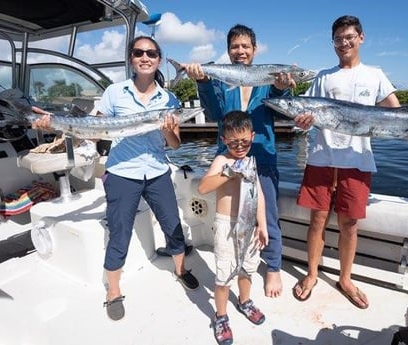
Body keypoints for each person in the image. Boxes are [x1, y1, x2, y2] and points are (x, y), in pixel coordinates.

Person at [292, 15, 408, 309]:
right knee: (317, 221)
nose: (344, 43)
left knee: (349, 225)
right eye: (338, 39)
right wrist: (301, 122)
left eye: (349, 37)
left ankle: (345, 278)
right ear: (333, 43)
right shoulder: (322, 77)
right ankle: (312, 274)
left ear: (361, 38)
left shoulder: (375, 75)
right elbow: (306, 116)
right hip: (321, 158)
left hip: (358, 161)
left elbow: (400, 115)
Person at [33, 36, 200, 321]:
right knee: (119, 231)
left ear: (159, 59)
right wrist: (55, 122)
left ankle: (181, 270)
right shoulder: (114, 92)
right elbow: (96, 130)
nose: (145, 57)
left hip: (158, 170)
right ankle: (113, 290)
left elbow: (174, 144)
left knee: (173, 225)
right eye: (139, 52)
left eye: (151, 53)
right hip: (123, 172)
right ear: (132, 58)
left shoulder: (169, 100)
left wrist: (169, 127)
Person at [183, 24, 295, 298]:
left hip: (263, 156)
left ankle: (273, 268)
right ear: (228, 51)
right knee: (230, 215)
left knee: (267, 215)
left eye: (246, 46)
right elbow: (213, 112)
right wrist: (203, 82)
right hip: (229, 155)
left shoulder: (269, 78)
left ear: (255, 50)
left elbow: (284, 112)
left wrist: (281, 90)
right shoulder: (221, 78)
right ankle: (234, 261)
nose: (240, 51)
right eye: (235, 47)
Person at [198, 110, 269, 345]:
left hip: (249, 225)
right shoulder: (222, 161)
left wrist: (263, 225)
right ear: (224, 140)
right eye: (234, 142)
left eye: (245, 141)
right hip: (226, 226)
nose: (240, 146)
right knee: (224, 275)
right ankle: (220, 316)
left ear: (253, 137)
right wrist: (230, 172)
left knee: (248, 268)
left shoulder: (251, 161)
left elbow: (258, 194)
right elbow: (204, 188)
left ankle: (245, 301)